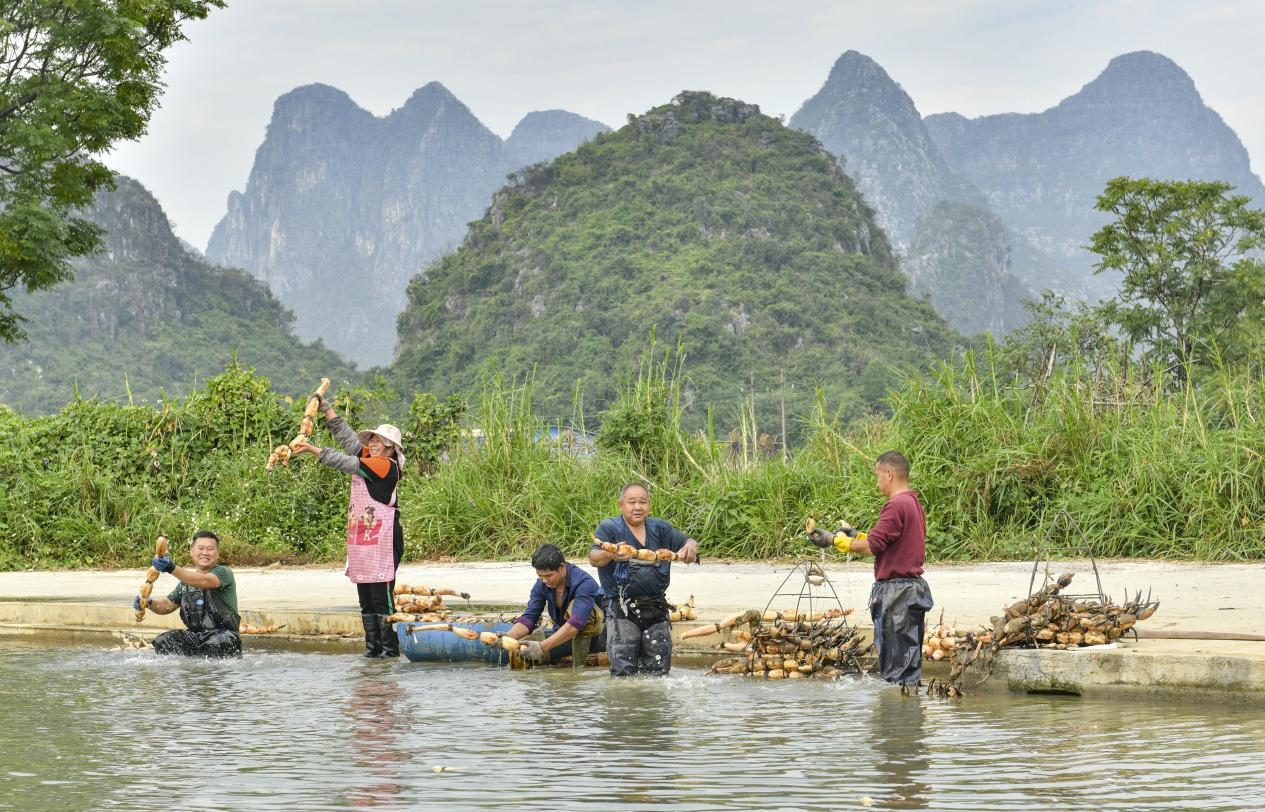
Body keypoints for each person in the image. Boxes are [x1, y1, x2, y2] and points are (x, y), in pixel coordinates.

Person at [292, 396, 405, 659]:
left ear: (390, 448)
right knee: (365, 597)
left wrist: (310, 449)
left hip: (384, 540)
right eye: (372, 440)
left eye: (378, 441)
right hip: (364, 539)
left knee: (381, 598)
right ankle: (372, 653)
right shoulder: (371, 456)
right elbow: (348, 440)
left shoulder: (384, 465)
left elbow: (347, 462)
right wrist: (326, 408)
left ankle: (390, 653)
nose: (371, 444)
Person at [808, 450, 933, 688]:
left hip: (897, 594)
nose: (877, 483)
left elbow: (873, 547)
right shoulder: (913, 503)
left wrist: (834, 541)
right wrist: (856, 535)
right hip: (912, 590)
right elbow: (888, 540)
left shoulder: (895, 505)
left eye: (877, 476)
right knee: (908, 663)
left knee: (896, 667)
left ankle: (895, 719)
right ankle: (909, 718)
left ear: (889, 474)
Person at [589, 483, 699, 676]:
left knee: (659, 673)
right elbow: (594, 558)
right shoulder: (610, 527)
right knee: (623, 673)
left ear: (649, 505)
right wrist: (612, 555)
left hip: (657, 607)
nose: (638, 507)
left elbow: (688, 541)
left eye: (643, 502)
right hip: (621, 606)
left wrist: (691, 547)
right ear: (620, 505)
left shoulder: (660, 528)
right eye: (632, 502)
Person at [138, 530, 241, 658]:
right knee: (164, 640)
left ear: (217, 554)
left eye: (210, 549)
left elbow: (204, 581)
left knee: (217, 642)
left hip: (224, 636)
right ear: (191, 552)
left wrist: (171, 568)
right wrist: (148, 602)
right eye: (201, 548)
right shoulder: (185, 583)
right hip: (196, 637)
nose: (205, 553)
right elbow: (166, 605)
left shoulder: (224, 572)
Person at [505, 543, 607, 668]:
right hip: (561, 635)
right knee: (518, 652)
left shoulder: (584, 584)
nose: (544, 580)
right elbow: (528, 619)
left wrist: (541, 647)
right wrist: (507, 637)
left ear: (562, 567)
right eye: (540, 576)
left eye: (548, 575)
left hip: (592, 639)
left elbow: (575, 625)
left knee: (534, 655)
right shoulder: (541, 584)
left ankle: (578, 665)